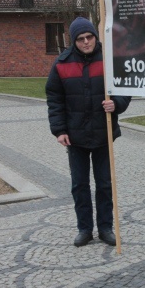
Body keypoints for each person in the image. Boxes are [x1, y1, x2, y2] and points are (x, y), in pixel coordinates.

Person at [46, 17, 131, 247]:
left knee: (104, 184)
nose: (86, 42)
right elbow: (55, 99)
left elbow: (125, 87)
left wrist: (117, 104)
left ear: (95, 36)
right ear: (74, 41)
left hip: (104, 133)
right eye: (81, 39)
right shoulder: (61, 64)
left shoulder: (110, 60)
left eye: (89, 37)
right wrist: (59, 130)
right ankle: (84, 229)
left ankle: (105, 227)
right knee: (79, 185)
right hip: (76, 136)